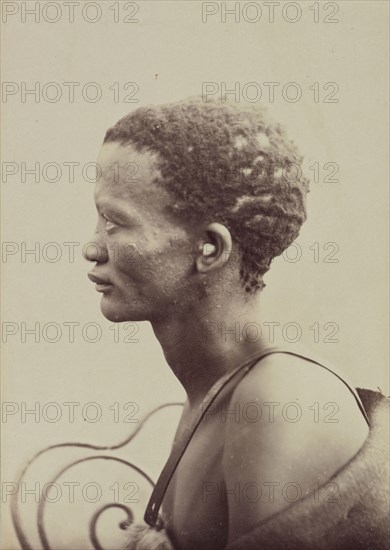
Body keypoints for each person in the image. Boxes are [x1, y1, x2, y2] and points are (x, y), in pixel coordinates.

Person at [84, 98, 388, 550]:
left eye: (114, 223)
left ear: (209, 248)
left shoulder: (276, 402)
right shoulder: (217, 388)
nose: (92, 248)